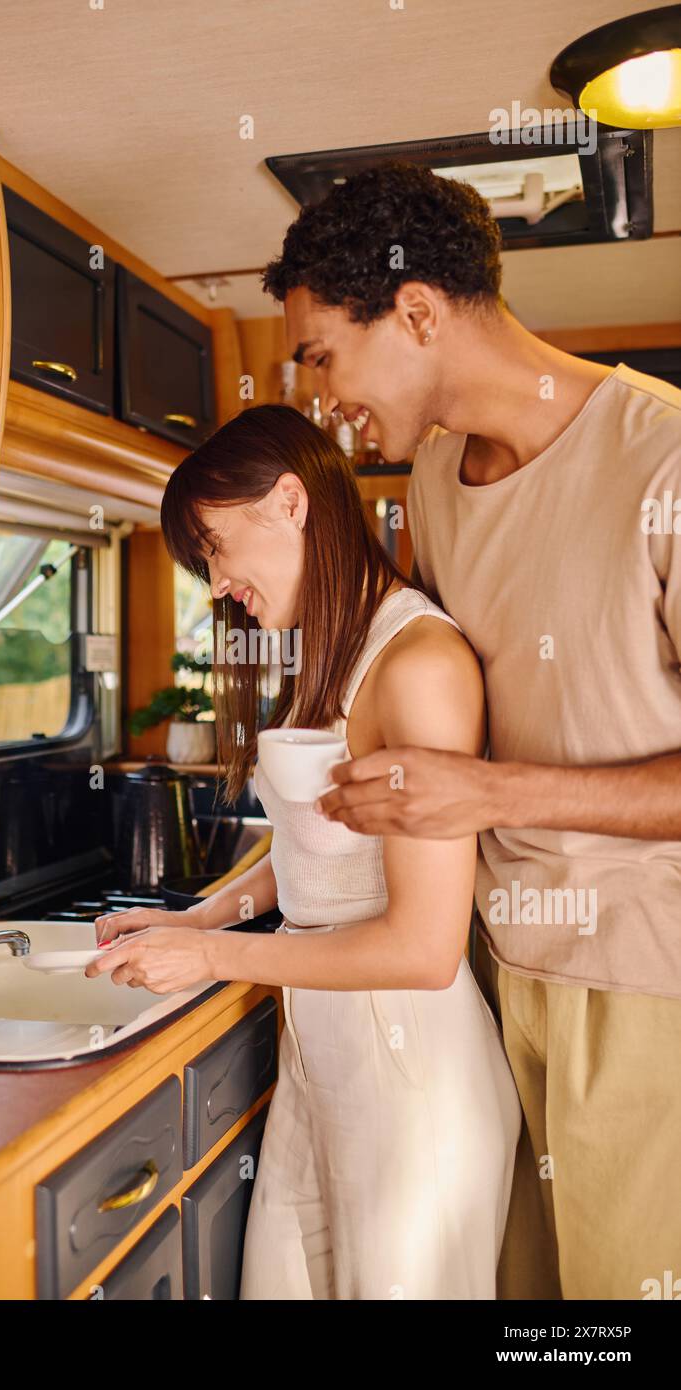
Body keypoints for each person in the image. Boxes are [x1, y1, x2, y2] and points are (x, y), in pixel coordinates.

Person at [258, 159, 681, 1300]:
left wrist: (489, 796)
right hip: (499, 972)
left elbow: (474, 778)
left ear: (413, 311)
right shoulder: (435, 476)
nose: (320, 395)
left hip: (645, 990)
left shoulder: (662, 458)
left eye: (321, 357)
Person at [86, 402, 521, 1300]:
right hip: (320, 1066)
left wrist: (209, 956)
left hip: (413, 1086)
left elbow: (424, 948)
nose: (214, 584)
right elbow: (314, 852)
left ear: (289, 501)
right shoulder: (330, 655)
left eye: (212, 546)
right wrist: (195, 917)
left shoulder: (417, 668)